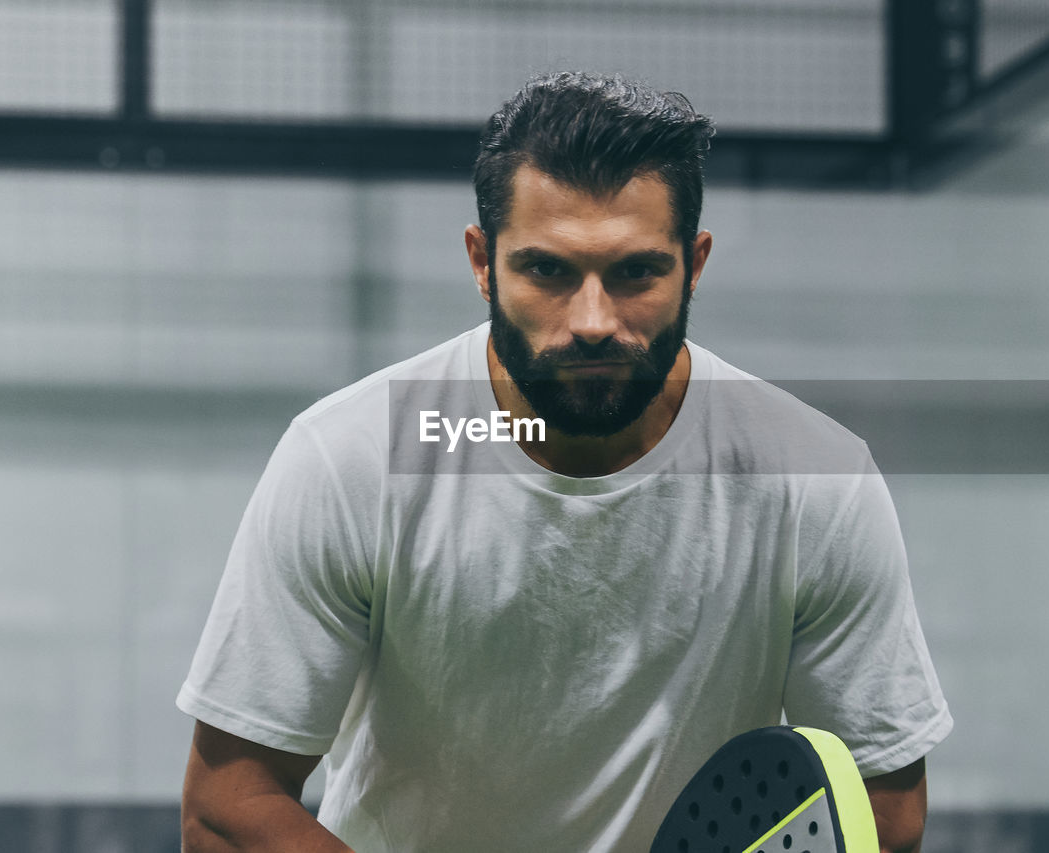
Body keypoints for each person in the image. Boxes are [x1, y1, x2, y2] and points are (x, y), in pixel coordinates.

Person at [177, 71, 952, 853]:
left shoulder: (813, 479)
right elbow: (227, 806)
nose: (591, 321)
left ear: (696, 264)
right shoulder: (352, 459)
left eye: (636, 272)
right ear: (483, 262)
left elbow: (882, 807)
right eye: (547, 270)